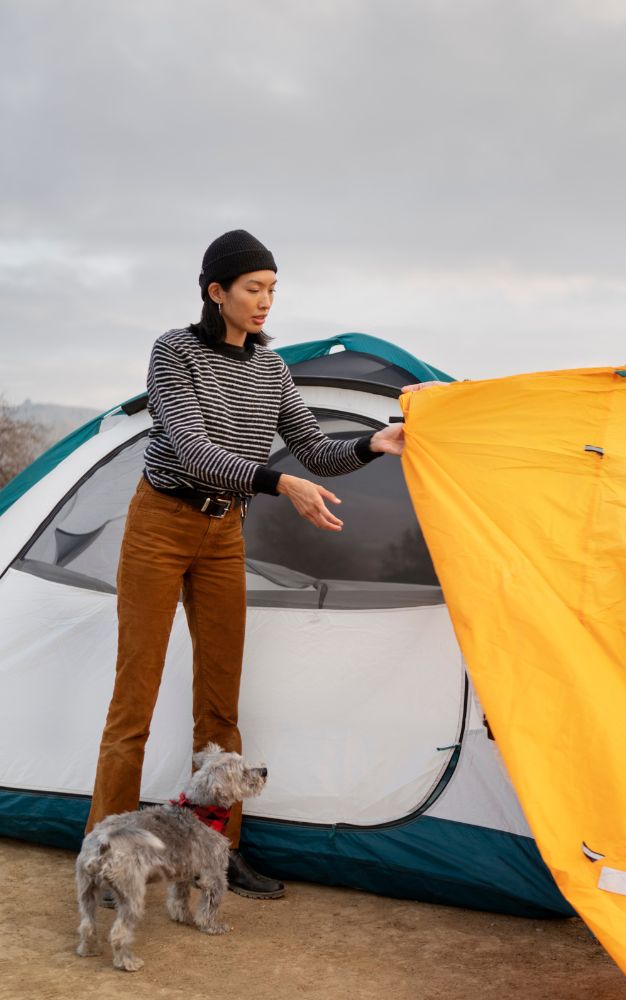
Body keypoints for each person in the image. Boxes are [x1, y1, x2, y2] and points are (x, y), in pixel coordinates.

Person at [85, 230, 404, 901]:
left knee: (220, 705)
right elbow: (194, 449)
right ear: (216, 291)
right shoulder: (175, 353)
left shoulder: (273, 367)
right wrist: (277, 484)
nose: (265, 303)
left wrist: (373, 443)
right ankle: (107, 858)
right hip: (160, 524)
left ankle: (217, 850)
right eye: (253, 289)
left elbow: (314, 450)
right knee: (133, 703)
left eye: (272, 290)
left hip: (224, 531)